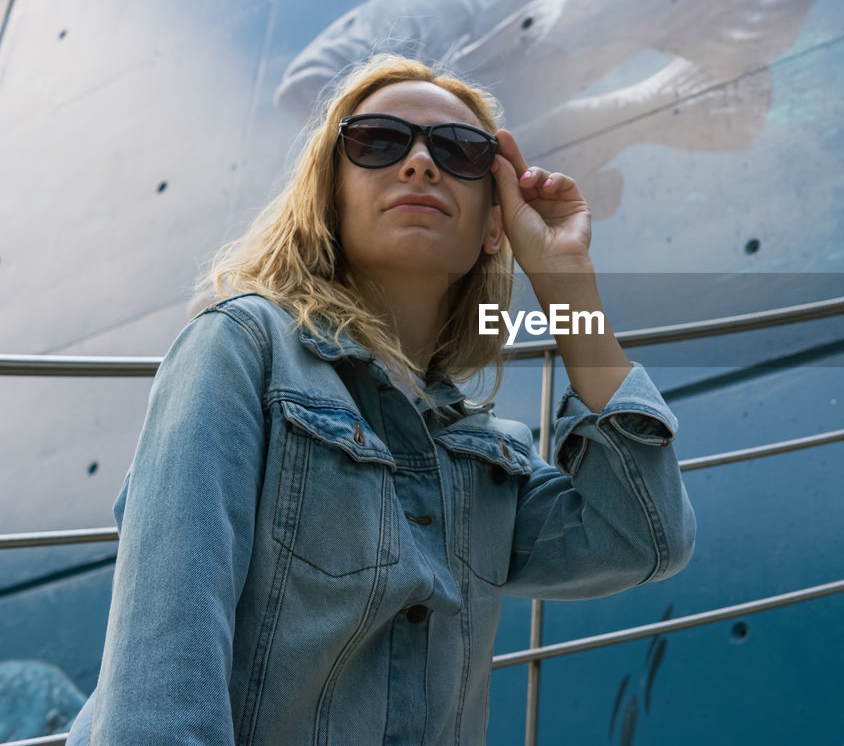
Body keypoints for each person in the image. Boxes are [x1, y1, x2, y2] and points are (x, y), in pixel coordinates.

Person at [65, 53, 696, 745]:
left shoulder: (486, 456)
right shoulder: (241, 347)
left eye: (460, 151)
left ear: (494, 226)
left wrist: (567, 283)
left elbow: (644, 536)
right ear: (330, 196)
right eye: (378, 141)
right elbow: (156, 700)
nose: (421, 162)